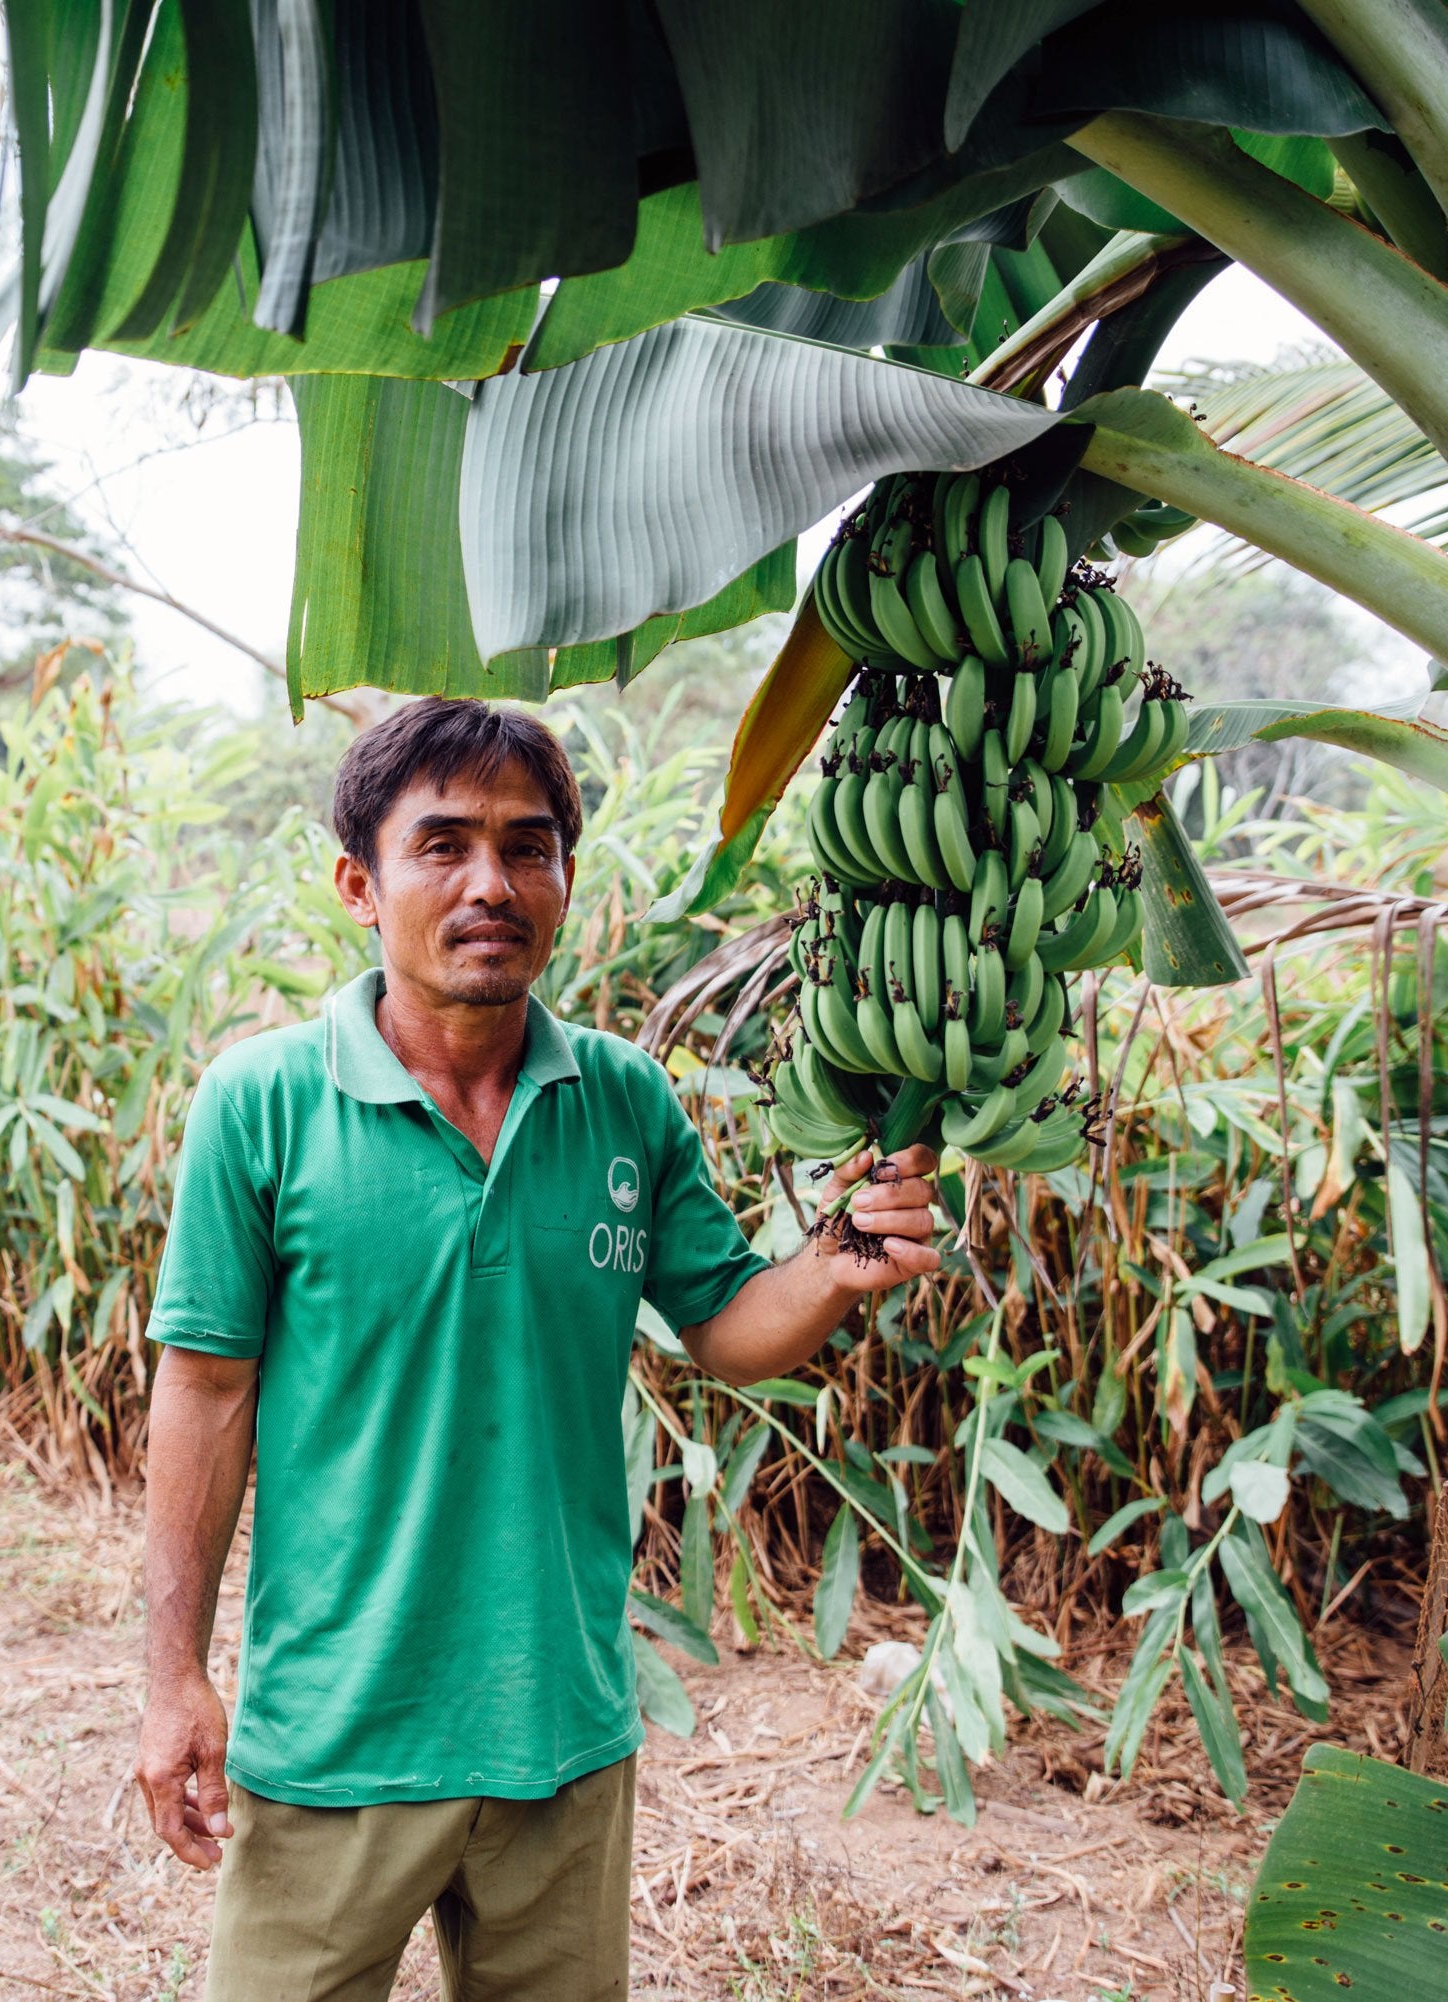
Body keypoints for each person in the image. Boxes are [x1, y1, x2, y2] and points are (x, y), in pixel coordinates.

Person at [136, 697, 940, 2001]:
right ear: (361, 882)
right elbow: (207, 1391)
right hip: (337, 1737)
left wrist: (835, 1261)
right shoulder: (264, 1101)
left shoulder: (621, 1098)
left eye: (529, 846)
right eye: (441, 844)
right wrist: (172, 1674)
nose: (490, 883)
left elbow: (728, 1322)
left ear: (567, 877)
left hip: (560, 1735)